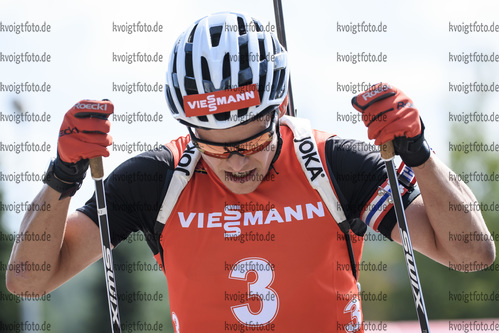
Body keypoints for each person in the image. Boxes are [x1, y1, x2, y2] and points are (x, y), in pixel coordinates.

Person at [6, 11, 495, 333]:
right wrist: (61, 178)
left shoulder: (333, 166)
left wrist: (418, 155)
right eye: (214, 148)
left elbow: (471, 255)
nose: (236, 162)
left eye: (253, 142)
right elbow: (29, 280)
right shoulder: (159, 178)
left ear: (278, 108)